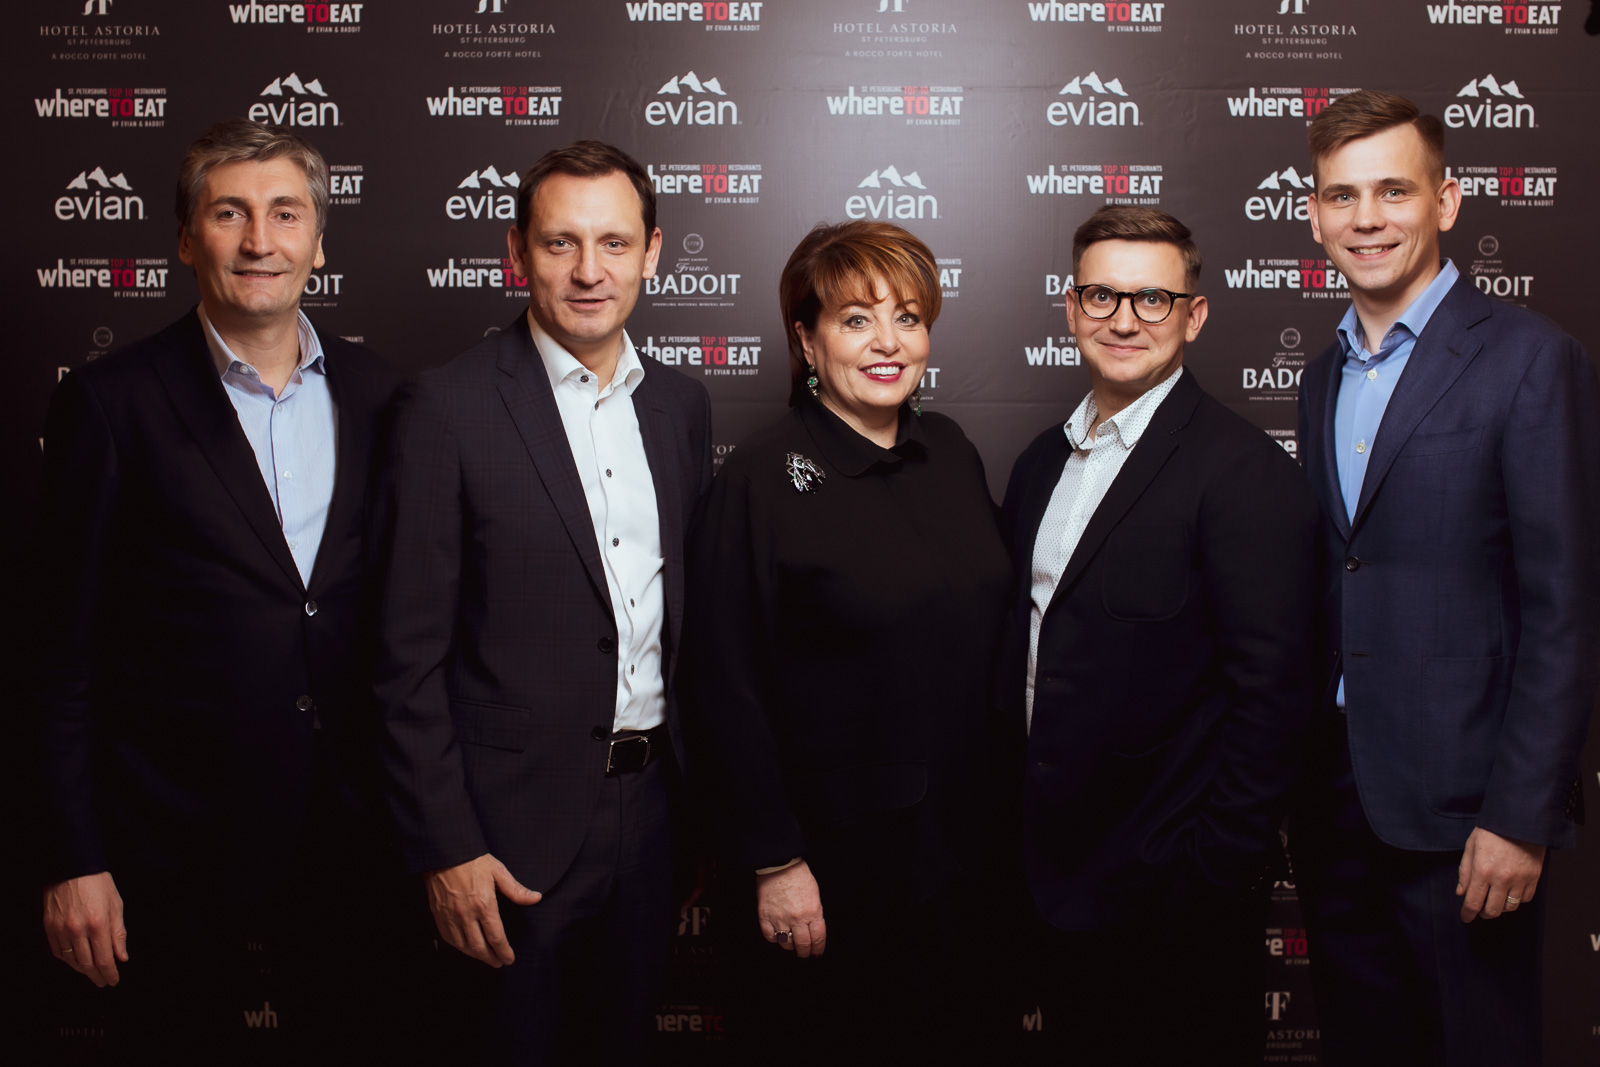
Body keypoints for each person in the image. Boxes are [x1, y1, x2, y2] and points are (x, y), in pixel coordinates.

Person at [33, 119, 402, 1055]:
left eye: (286, 214)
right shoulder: (109, 402)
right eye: (229, 213)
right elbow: (58, 653)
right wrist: (73, 856)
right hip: (168, 838)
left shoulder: (386, 396)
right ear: (186, 238)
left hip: (355, 833)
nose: (259, 240)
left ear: (319, 241)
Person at [373, 140, 712, 1060]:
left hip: (654, 820)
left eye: (614, 242)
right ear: (517, 253)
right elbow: (405, 659)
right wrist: (446, 846)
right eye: (561, 242)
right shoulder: (445, 407)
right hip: (505, 836)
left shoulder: (680, 407)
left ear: (653, 252)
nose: (589, 270)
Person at [1293, 89, 1600, 1066]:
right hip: (1338, 803)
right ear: (1314, 216)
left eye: (1394, 190)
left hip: (1469, 817)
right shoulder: (1320, 376)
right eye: (1342, 196)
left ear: (1447, 201)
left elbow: (1565, 609)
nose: (1367, 218)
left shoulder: (1532, 361)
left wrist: (1520, 815)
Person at [681, 220, 1013, 1062]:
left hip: (964, 854)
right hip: (834, 869)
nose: (887, 342)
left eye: (908, 316)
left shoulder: (951, 451)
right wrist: (773, 861)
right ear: (807, 339)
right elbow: (721, 685)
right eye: (857, 319)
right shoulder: (759, 476)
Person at [999, 205, 1319, 1064]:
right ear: (1072, 308)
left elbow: (1274, 699)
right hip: (1052, 881)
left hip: (1174, 895)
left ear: (1194, 315)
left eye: (1153, 299)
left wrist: (1210, 871)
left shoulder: (1244, 472)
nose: (1124, 319)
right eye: (1102, 295)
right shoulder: (1039, 465)